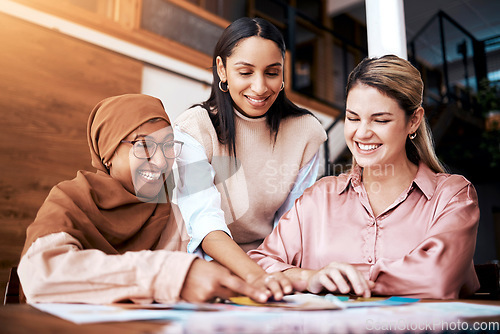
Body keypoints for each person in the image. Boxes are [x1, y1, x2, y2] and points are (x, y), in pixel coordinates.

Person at [248, 55, 480, 299]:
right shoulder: (319, 197)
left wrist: (345, 278)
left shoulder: (452, 196)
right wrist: (309, 277)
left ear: (414, 120)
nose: (362, 133)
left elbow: (436, 279)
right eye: (353, 118)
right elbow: (258, 264)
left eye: (380, 120)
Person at [18, 94, 267, 304]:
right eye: (143, 146)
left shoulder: (170, 213)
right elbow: (39, 274)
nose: (160, 162)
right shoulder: (72, 199)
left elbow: (206, 275)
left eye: (169, 146)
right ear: (108, 152)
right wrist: (163, 274)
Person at [174, 17, 326, 299]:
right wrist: (255, 276)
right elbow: (204, 222)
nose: (259, 87)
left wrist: (274, 274)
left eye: (272, 72)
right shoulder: (194, 128)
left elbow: (292, 224)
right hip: (205, 266)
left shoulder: (306, 131)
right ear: (222, 69)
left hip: (272, 266)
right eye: (245, 72)